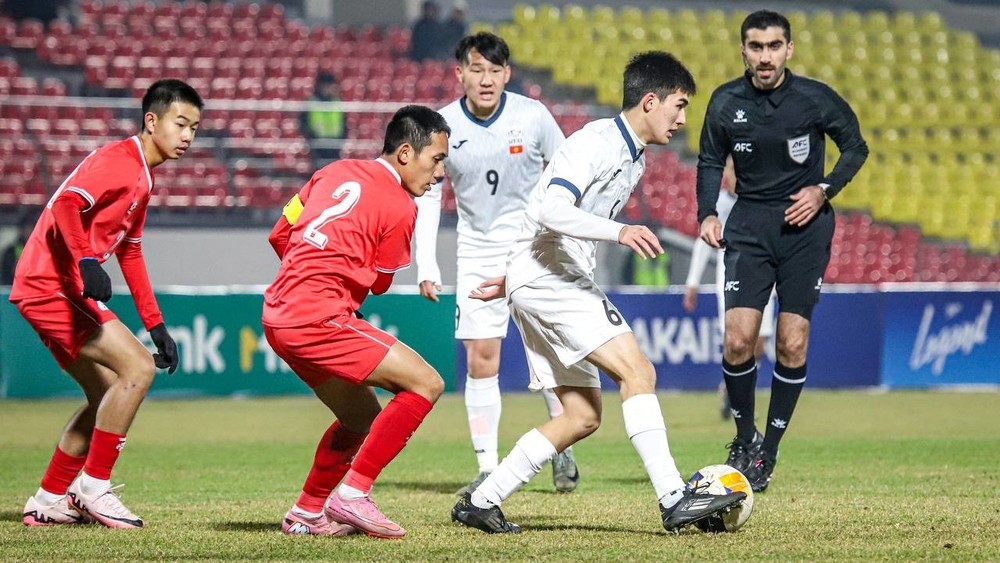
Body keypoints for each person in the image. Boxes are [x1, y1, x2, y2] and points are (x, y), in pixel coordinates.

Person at [450, 51, 745, 535]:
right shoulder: (597, 142)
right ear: (650, 102)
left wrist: (514, 276)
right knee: (639, 371)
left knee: (582, 415)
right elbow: (550, 207)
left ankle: (482, 500)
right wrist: (619, 232)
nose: (682, 119)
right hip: (550, 275)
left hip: (539, 275)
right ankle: (674, 497)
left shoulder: (633, 157)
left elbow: (551, 217)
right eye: (679, 105)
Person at [12, 79, 199, 528]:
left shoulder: (144, 176)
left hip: (50, 286)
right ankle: (93, 487)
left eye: (194, 127)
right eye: (180, 124)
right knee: (137, 368)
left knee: (105, 393)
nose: (188, 135)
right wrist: (86, 259)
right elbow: (66, 206)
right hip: (50, 284)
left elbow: (131, 251)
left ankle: (48, 500)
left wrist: (156, 324)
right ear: (151, 121)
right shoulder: (119, 160)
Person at [696, 10, 868, 492]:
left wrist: (823, 189)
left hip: (804, 230)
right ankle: (743, 438)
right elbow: (709, 160)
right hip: (749, 224)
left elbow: (856, 147)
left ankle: (767, 452)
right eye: (756, 46)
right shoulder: (726, 101)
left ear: (789, 49)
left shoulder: (814, 98)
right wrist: (706, 213)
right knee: (737, 340)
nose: (765, 56)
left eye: (774, 46)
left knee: (791, 343)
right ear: (743, 50)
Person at [264, 105, 450, 539]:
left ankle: (306, 512)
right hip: (317, 317)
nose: (440, 173)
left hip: (278, 314)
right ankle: (353, 494)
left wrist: (310, 273)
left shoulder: (332, 172)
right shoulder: (401, 206)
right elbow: (380, 283)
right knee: (426, 384)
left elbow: (280, 234)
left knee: (360, 416)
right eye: (437, 159)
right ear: (406, 153)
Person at [412, 32, 575, 496]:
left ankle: (561, 445)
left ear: (507, 74)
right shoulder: (442, 126)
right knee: (481, 357)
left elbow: (568, 170)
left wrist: (568, 238)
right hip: (477, 250)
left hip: (533, 246)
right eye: (476, 69)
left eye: (494, 70)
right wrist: (426, 263)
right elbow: (427, 195)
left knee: (549, 352)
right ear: (459, 73)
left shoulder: (533, 116)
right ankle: (487, 466)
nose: (486, 79)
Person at [683, 155, 776, 420]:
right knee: (736, 339)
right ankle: (737, 395)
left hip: (763, 278)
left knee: (759, 343)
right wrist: (692, 283)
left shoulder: (762, 201)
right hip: (730, 278)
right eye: (734, 168)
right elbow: (703, 243)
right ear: (726, 171)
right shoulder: (718, 206)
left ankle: (731, 385)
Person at [300, 72, 347, 166]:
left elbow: (344, 123)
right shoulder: (311, 102)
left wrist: (341, 140)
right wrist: (310, 139)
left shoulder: (338, 102)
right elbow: (303, 123)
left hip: (335, 145)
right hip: (317, 144)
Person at [1, 210, 37, 285]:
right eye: (27, 228)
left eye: (32, 228)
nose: (29, 231)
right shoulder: (10, 251)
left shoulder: (41, 250)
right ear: (21, 230)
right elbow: (6, 276)